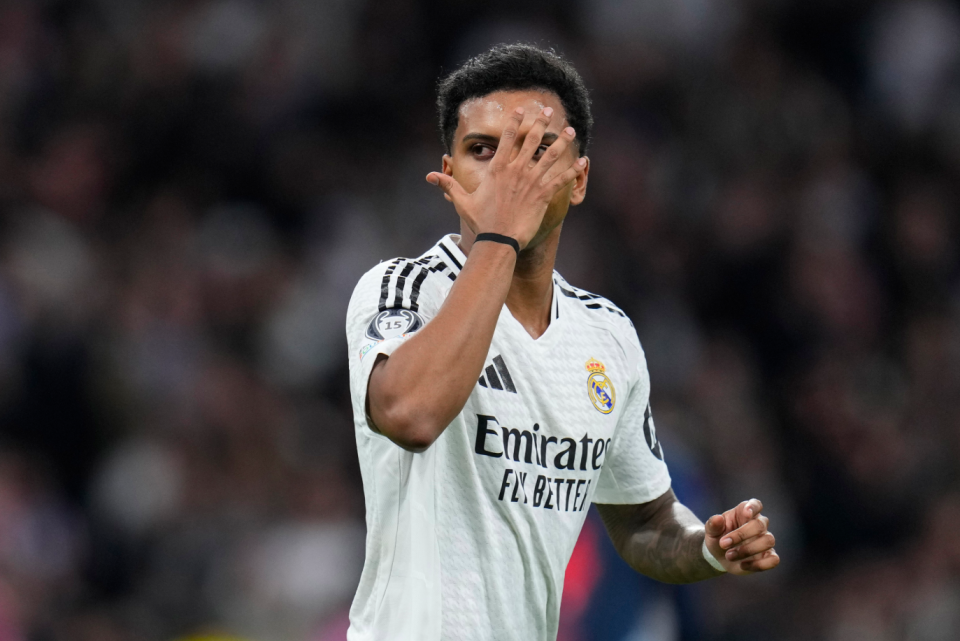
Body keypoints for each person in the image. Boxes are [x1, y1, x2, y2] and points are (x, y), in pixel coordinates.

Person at [345, 43, 779, 641]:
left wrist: (706, 546)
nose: (509, 173)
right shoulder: (404, 288)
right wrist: (500, 235)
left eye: (536, 149)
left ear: (579, 180)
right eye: (483, 150)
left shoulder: (607, 335)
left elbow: (644, 519)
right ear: (448, 175)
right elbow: (410, 415)